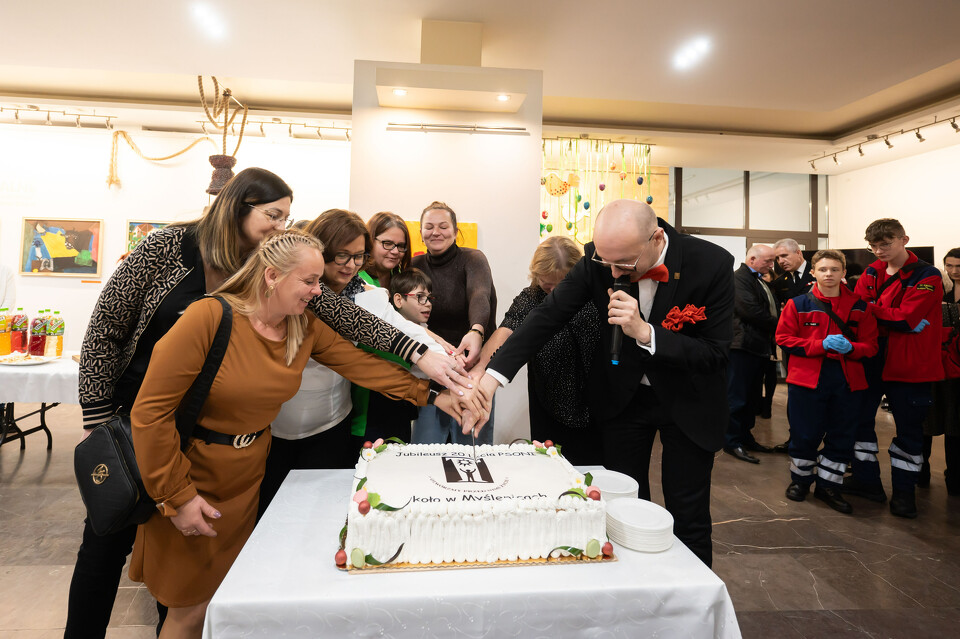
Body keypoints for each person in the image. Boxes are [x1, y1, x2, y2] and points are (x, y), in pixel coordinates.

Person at [69, 169, 466, 639]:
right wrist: (96, 414)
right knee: (107, 543)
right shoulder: (174, 257)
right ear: (238, 206)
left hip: (223, 456)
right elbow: (108, 325)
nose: (280, 225)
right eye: (273, 215)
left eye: (286, 217)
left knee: (193, 598)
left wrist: (425, 371)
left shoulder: (282, 287)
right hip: (138, 422)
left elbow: (350, 330)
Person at [477, 199, 734, 567]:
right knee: (618, 504)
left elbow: (715, 353)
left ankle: (691, 605)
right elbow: (546, 317)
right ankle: (628, 590)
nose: (613, 271)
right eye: (605, 261)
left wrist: (646, 333)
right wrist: (492, 379)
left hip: (687, 400)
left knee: (687, 512)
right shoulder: (599, 259)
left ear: (656, 238)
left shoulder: (711, 264)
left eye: (624, 263)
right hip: (623, 400)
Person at [259, 211, 461, 516]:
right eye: (342, 256)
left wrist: (453, 370)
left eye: (358, 256)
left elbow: (393, 337)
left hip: (330, 424)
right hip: (274, 429)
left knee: (322, 512)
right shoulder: (280, 301)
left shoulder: (367, 294)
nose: (351, 265)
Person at [845, 218, 944, 518]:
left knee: (909, 433)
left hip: (909, 366)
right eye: (873, 246)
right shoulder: (871, 272)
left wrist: (872, 309)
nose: (878, 251)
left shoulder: (928, 274)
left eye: (885, 244)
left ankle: (904, 494)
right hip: (872, 359)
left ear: (904, 240)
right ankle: (866, 482)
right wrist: (882, 313)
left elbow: (904, 318)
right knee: (860, 423)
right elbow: (859, 313)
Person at [476, 236, 601, 465]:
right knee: (549, 466)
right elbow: (506, 331)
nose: (554, 292)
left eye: (562, 284)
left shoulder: (595, 296)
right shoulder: (531, 297)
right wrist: (480, 372)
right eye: (547, 284)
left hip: (594, 403)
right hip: (547, 401)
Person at [775, 250, 878, 513]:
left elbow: (871, 346)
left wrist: (852, 348)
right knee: (804, 433)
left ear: (844, 273)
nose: (829, 274)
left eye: (834, 269)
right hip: (807, 380)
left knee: (841, 435)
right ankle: (800, 481)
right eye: (823, 269)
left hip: (847, 380)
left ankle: (828, 486)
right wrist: (819, 344)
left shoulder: (861, 307)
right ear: (813, 272)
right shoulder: (798, 304)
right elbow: (783, 338)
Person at [411, 201, 497, 445]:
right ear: (420, 233)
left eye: (443, 226)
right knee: (426, 448)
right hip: (431, 370)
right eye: (429, 227)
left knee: (472, 450)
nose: (435, 232)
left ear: (456, 230)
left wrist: (476, 330)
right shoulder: (415, 266)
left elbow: (480, 295)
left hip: (473, 368)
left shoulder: (473, 259)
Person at [724, 244, 780, 463]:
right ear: (753, 259)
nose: (771, 265)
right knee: (737, 398)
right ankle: (731, 441)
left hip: (755, 346)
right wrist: (782, 324)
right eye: (768, 261)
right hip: (742, 346)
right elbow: (750, 311)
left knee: (751, 397)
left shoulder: (756, 278)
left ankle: (745, 437)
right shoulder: (740, 279)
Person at [920, 247, 960, 494]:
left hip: (956, 370)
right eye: (950, 266)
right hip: (934, 366)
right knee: (927, 422)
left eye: (959, 266)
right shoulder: (939, 291)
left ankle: (954, 477)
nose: (954, 271)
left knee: (956, 425)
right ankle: (920, 471)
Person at [769, 238, 815, 452]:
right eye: (777, 258)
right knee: (795, 394)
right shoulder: (781, 282)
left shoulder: (819, 272)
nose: (780, 261)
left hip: (820, 342)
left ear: (798, 252)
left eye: (784, 256)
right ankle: (795, 440)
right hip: (794, 345)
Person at [360, 211, 411, 291]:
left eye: (401, 246)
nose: (395, 251)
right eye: (388, 243)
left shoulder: (404, 281)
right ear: (370, 241)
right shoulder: (354, 279)